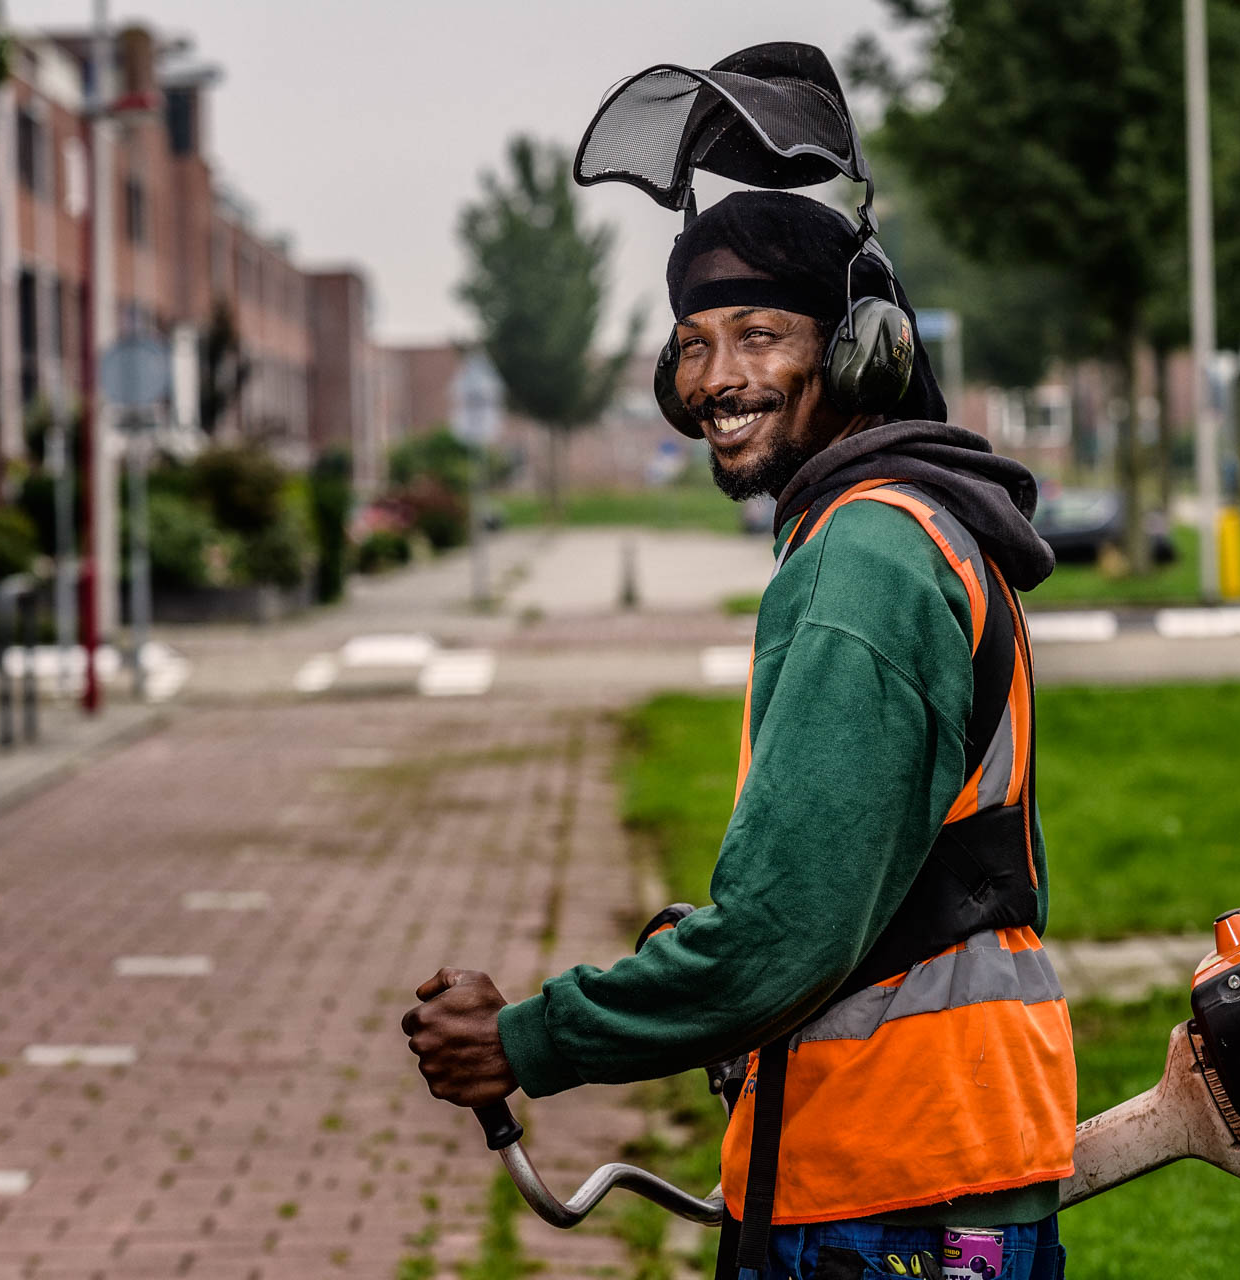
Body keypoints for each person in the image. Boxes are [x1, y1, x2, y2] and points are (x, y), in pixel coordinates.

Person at [405, 190, 1074, 1280]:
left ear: (857, 356)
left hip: (888, 1187)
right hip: (943, 1156)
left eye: (759, 335)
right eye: (692, 345)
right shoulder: (920, 526)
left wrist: (526, 1039)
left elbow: (781, 936)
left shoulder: (863, 560)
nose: (716, 378)